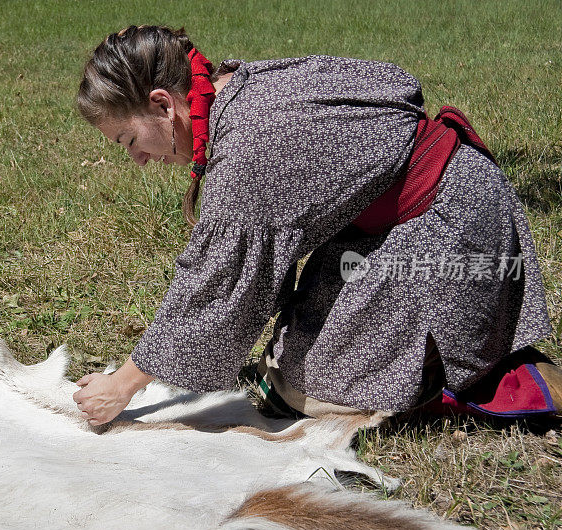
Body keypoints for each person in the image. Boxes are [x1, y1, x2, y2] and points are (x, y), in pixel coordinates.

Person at [72, 25, 562, 426]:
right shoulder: (244, 83)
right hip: (446, 204)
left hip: (450, 232)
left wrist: (121, 386)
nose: (137, 158)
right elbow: (394, 82)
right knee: (284, 363)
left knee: (305, 392)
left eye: (128, 138)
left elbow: (214, 293)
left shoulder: (244, 156)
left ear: (163, 104)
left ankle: (469, 377)